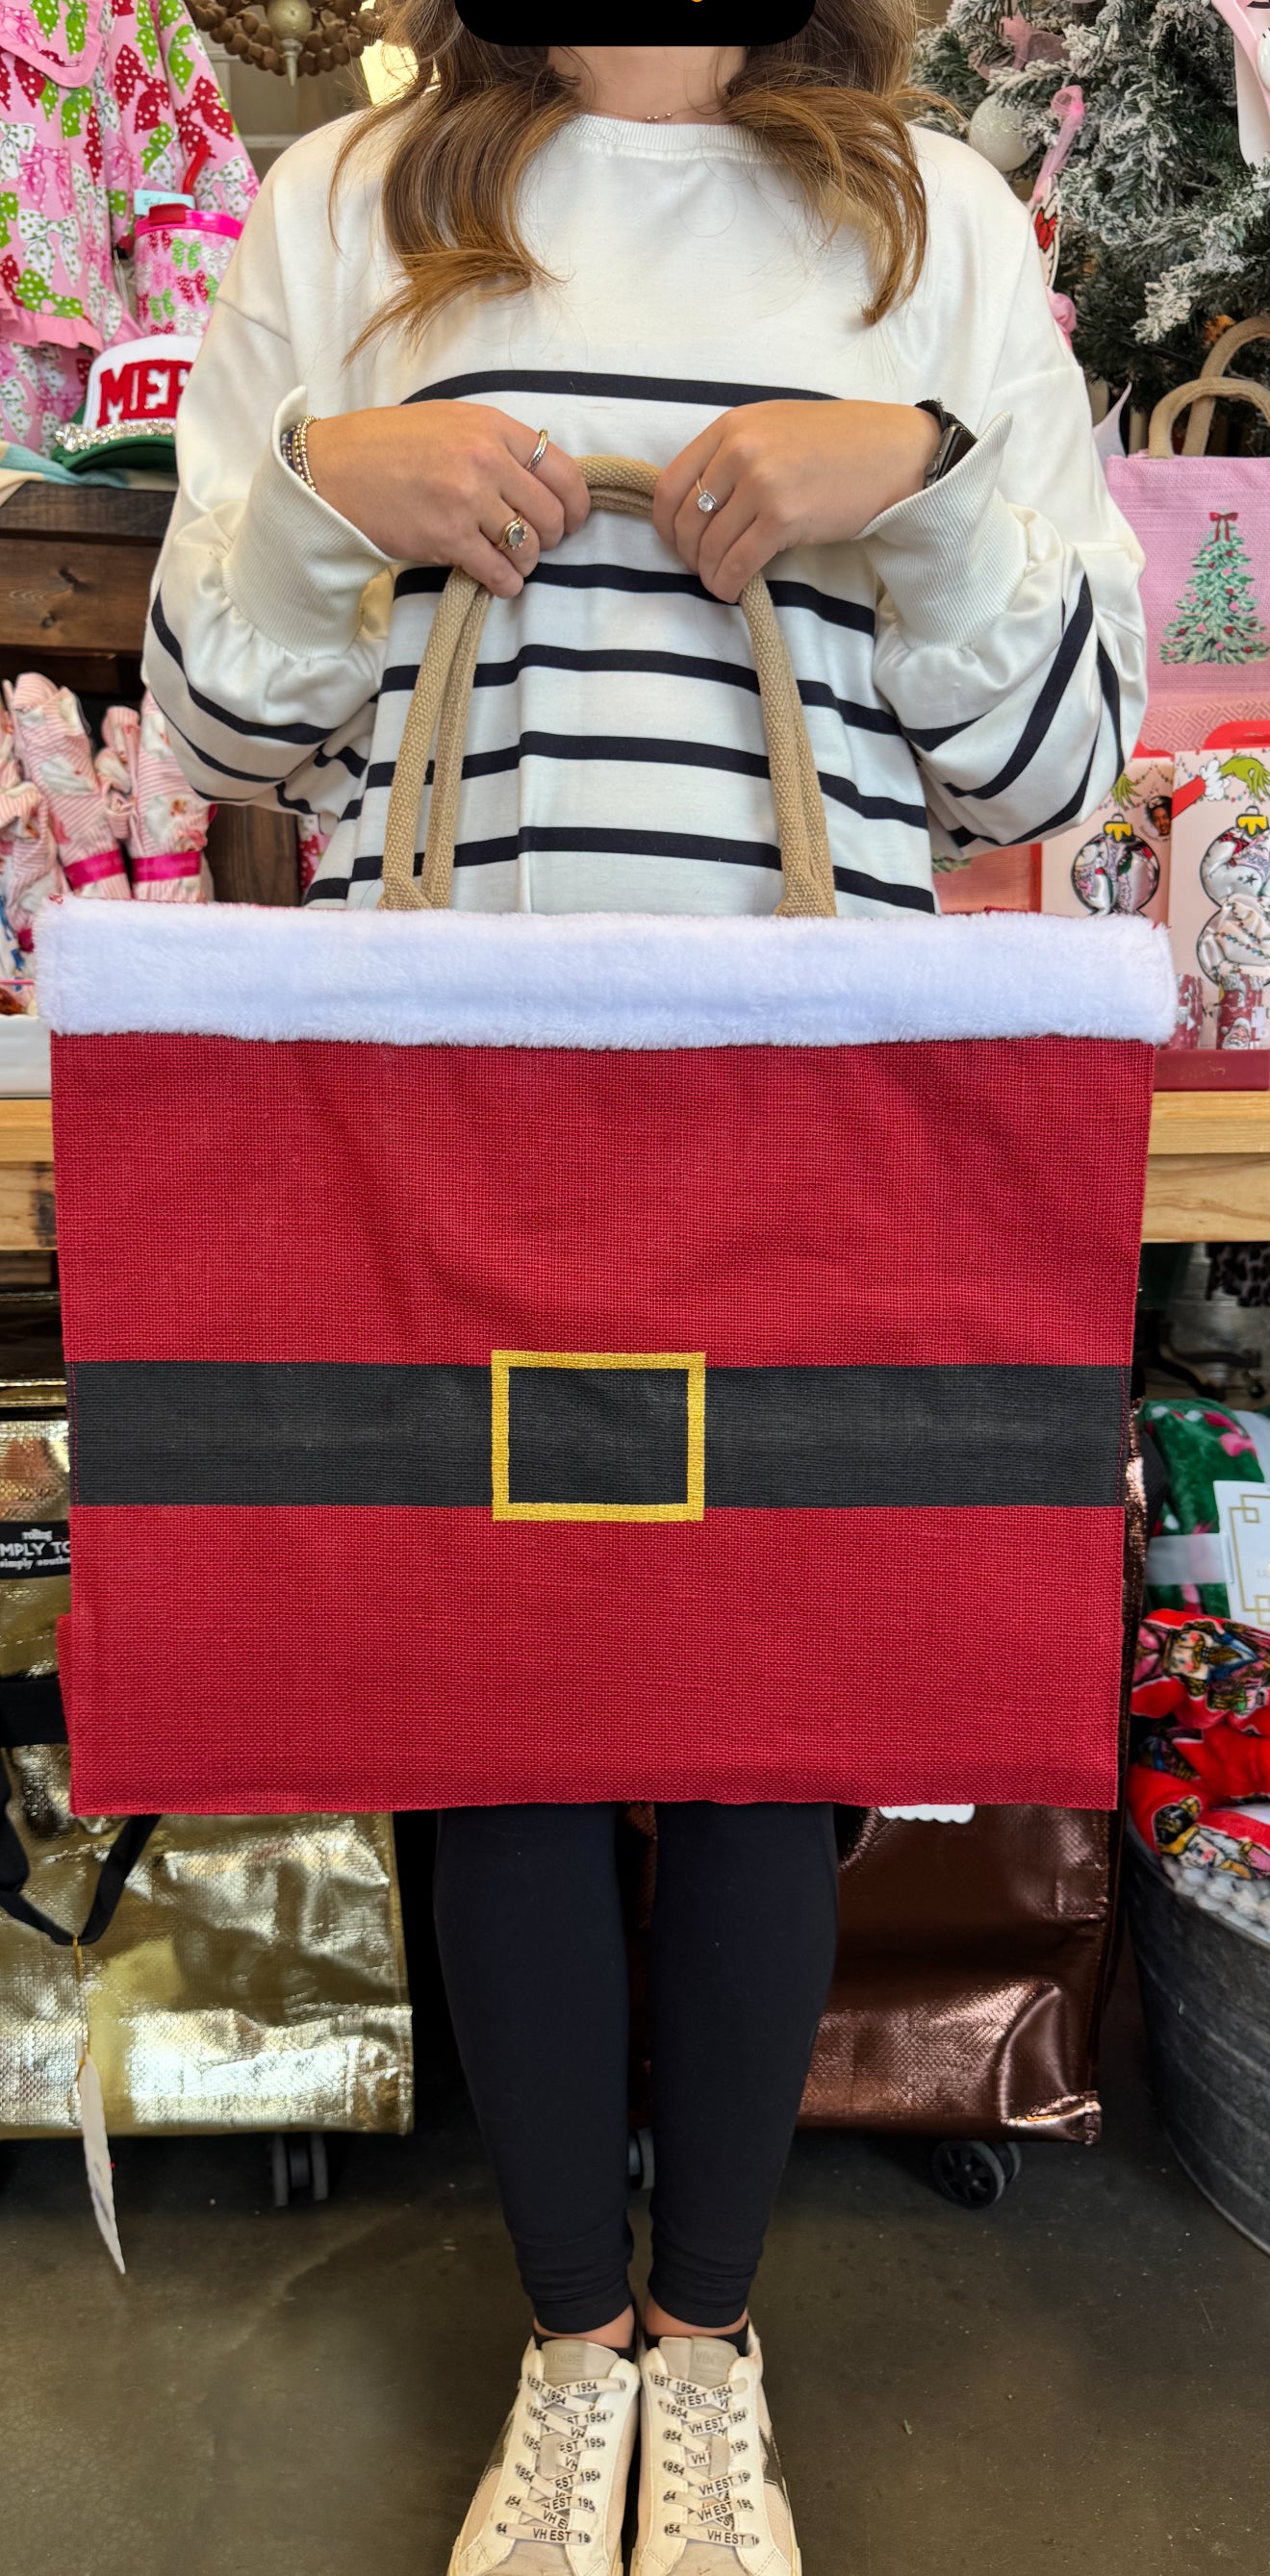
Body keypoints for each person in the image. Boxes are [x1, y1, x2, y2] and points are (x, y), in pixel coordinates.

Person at [143, 14, 1147, 2570]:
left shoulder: (928, 216)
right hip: (446, 1109)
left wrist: (919, 480)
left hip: (807, 1102)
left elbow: (1058, 764)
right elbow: (215, 728)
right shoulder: (350, 203)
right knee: (482, 1721)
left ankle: (706, 2345)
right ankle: (573, 2348)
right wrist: (321, 492)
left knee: (764, 1727)